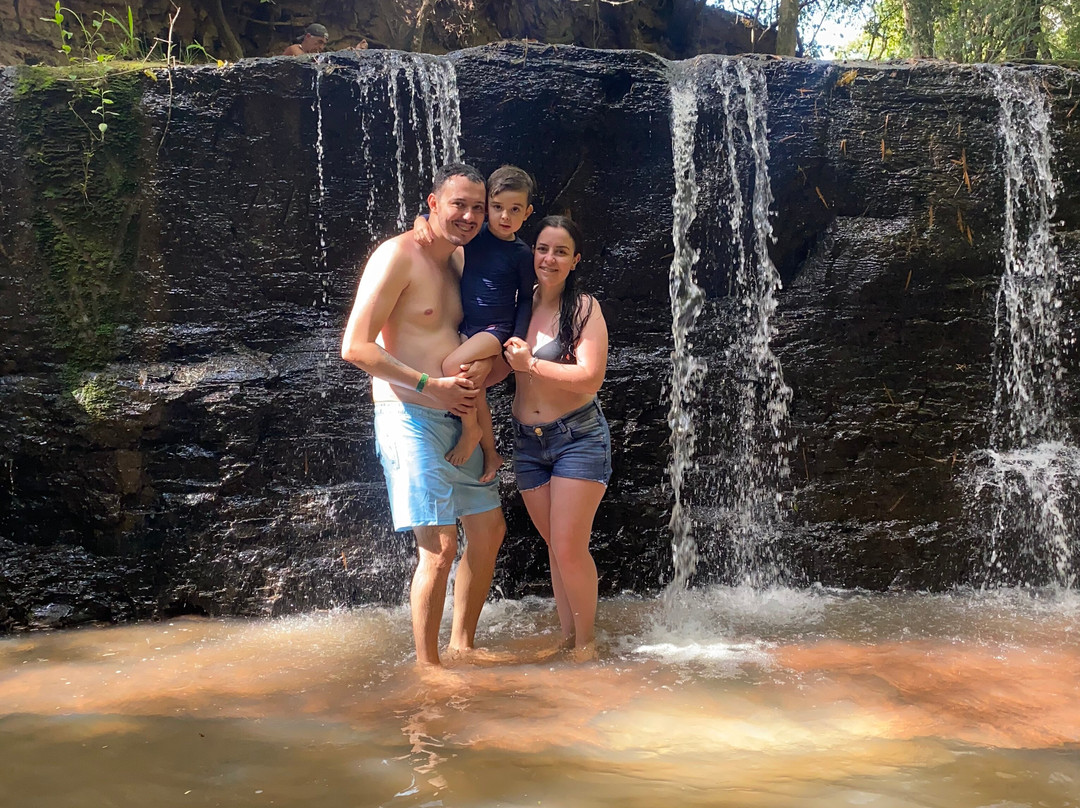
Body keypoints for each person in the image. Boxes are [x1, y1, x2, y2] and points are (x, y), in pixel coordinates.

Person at [341, 163, 507, 667]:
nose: (470, 216)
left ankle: (464, 645)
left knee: (489, 529)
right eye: (459, 204)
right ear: (433, 204)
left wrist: (481, 382)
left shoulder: (460, 260)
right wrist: (428, 385)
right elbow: (354, 347)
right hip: (409, 413)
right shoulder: (397, 256)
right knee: (438, 544)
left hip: (461, 416)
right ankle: (427, 667)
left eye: (478, 208)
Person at [502, 216, 611, 661]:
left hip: (577, 438)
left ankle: (586, 646)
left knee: (568, 547)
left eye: (560, 251)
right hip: (528, 443)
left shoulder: (584, 308)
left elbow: (590, 378)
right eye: (543, 248)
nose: (549, 258)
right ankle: (568, 638)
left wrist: (531, 365)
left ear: (575, 260)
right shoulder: (517, 304)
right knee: (556, 548)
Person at [412, 165, 535, 483]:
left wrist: (516, 339)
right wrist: (420, 221)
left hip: (496, 329)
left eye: (514, 209)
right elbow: (440, 222)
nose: (505, 216)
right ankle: (491, 453)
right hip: (469, 326)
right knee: (472, 385)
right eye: (497, 208)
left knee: (453, 365)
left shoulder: (522, 254)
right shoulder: (474, 236)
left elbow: (524, 299)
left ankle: (470, 429)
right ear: (486, 209)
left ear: (527, 213)